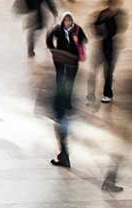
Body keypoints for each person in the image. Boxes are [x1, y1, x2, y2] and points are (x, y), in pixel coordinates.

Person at [45, 12, 87, 167]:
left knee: (62, 128)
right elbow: (49, 39)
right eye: (66, 20)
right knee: (62, 128)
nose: (68, 22)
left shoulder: (77, 30)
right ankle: (64, 155)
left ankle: (64, 156)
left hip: (72, 60)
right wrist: (53, 50)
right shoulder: (57, 30)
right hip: (61, 58)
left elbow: (84, 40)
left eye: (69, 20)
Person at [91, 0, 124, 103]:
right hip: (103, 44)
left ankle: (107, 94)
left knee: (108, 70)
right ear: (108, 5)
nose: (113, 8)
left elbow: (120, 28)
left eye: (115, 6)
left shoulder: (119, 14)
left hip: (113, 45)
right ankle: (97, 91)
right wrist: (99, 33)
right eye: (111, 6)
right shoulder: (103, 13)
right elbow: (95, 26)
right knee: (98, 69)